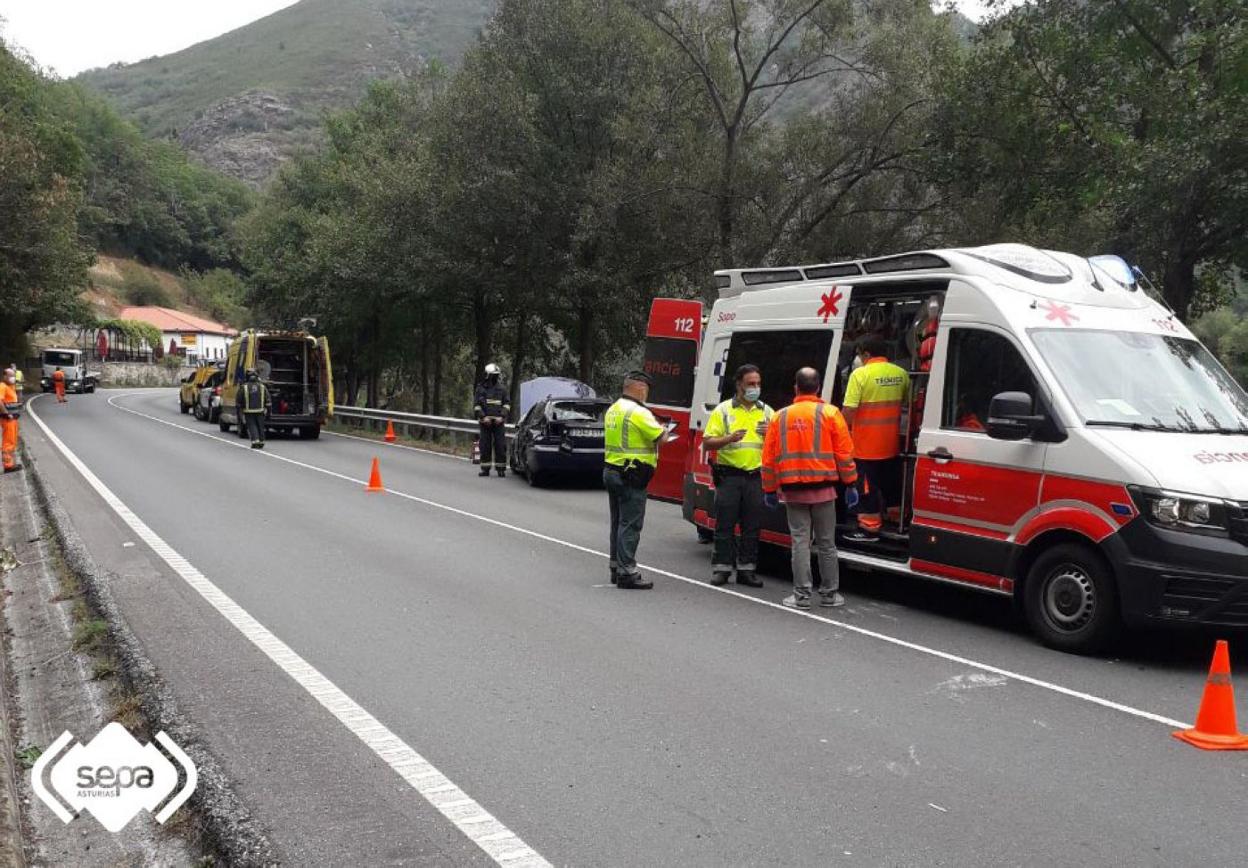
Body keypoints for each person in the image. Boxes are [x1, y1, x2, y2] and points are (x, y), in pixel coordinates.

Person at [761, 368, 857, 609]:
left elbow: (768, 458)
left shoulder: (780, 417)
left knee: (800, 543)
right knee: (826, 543)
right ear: (818, 388)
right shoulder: (831, 413)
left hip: (793, 492)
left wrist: (769, 489)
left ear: (796, 387)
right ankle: (829, 594)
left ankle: (801, 595)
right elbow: (844, 454)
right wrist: (851, 483)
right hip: (825, 491)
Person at [702, 364, 772, 587]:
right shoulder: (723, 410)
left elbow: (779, 445)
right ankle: (722, 569)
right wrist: (729, 439)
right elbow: (707, 442)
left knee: (752, 526)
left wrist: (771, 435)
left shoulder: (767, 412)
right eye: (751, 383)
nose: (755, 388)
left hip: (755, 476)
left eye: (758, 384)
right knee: (725, 524)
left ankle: (747, 570)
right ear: (739, 384)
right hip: (730, 476)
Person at [841, 336, 910, 542]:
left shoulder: (860, 375)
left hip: (865, 446)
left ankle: (869, 529)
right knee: (892, 486)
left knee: (866, 488)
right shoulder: (901, 373)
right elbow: (907, 403)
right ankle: (897, 521)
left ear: (866, 353)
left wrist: (840, 429)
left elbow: (849, 410)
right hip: (891, 444)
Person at [603, 370, 667, 590]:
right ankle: (627, 572)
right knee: (630, 524)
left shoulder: (614, 409)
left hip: (612, 470)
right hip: (632, 474)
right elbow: (661, 437)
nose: (647, 394)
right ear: (640, 388)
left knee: (617, 521)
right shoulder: (639, 412)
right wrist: (665, 429)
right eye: (646, 390)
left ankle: (615, 566)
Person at [473, 363, 510, 478]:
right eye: (493, 375)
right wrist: (483, 417)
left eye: (496, 375)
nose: (495, 377)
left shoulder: (502, 389)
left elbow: (507, 404)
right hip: (485, 423)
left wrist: (502, 417)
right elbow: (476, 405)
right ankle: (485, 469)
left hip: (498, 423)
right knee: (485, 446)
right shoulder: (480, 389)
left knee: (500, 445)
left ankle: (500, 469)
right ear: (488, 375)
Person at [239, 368, 271, 449]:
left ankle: (255, 441)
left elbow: (239, 401)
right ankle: (262, 441)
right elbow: (268, 400)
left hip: (248, 411)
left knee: (252, 425)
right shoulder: (263, 387)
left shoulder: (244, 387)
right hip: (260, 411)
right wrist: (268, 412)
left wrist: (240, 412)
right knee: (260, 426)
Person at [1, 368, 21, 473]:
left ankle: (11, 463)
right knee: (8, 442)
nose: (13, 378)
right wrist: (6, 413)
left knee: (12, 441)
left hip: (13, 418)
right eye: (10, 376)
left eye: (14, 376)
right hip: (8, 419)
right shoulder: (2, 386)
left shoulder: (10, 386)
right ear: (4, 376)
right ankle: (8, 465)